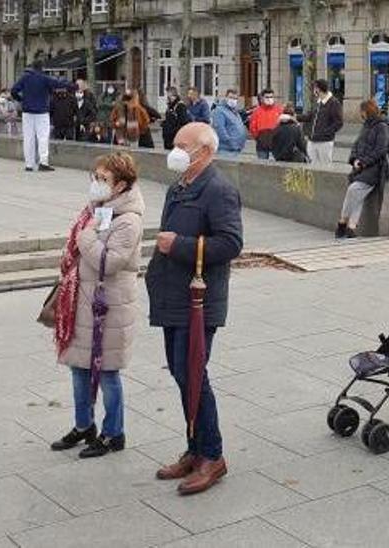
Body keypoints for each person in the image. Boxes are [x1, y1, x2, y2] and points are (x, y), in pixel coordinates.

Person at [145, 122, 244, 496]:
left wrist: (180, 245)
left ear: (204, 151)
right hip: (174, 293)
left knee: (193, 374)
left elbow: (231, 243)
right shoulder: (180, 185)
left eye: (181, 145)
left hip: (199, 300)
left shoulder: (218, 190)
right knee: (180, 371)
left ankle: (213, 456)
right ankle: (195, 447)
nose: (175, 150)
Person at [50, 152, 145, 459]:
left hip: (109, 307)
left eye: (104, 179)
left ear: (121, 186)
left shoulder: (128, 219)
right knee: (77, 367)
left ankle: (113, 432)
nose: (97, 184)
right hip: (82, 301)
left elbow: (110, 261)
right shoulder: (95, 209)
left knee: (107, 373)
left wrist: (86, 236)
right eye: (95, 177)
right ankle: (83, 425)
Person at [338, 99, 389, 239]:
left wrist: (363, 162)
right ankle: (351, 228)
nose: (360, 114)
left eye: (361, 111)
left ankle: (342, 222)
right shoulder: (366, 125)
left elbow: (381, 149)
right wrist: (354, 159)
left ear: (366, 111)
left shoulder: (381, 126)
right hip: (361, 167)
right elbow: (357, 144)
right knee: (357, 195)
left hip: (375, 169)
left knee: (354, 190)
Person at [11, 59, 74, 172]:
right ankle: (43, 163)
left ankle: (29, 164)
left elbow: (14, 90)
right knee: (43, 137)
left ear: (32, 67)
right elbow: (58, 84)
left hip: (27, 112)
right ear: (42, 68)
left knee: (28, 138)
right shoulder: (45, 78)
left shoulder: (25, 77)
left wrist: (21, 99)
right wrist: (73, 86)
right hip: (42, 112)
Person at [300, 79, 344, 164]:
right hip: (312, 140)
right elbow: (309, 116)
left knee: (325, 166)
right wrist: (295, 117)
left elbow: (339, 122)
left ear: (318, 89)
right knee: (312, 165)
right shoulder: (318, 102)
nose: (313, 91)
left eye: (314, 88)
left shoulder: (333, 103)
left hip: (324, 142)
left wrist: (326, 132)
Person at [211, 89, 247, 158]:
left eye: (235, 98)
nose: (233, 100)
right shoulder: (220, 111)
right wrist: (230, 142)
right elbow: (220, 130)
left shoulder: (235, 111)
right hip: (226, 149)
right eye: (231, 97)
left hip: (236, 148)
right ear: (226, 97)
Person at [249, 89, 283, 160]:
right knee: (262, 166)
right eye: (267, 97)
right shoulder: (257, 112)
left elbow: (283, 125)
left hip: (276, 143)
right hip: (262, 144)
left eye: (271, 97)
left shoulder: (279, 110)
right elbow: (252, 127)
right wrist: (258, 137)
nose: (269, 99)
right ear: (262, 98)